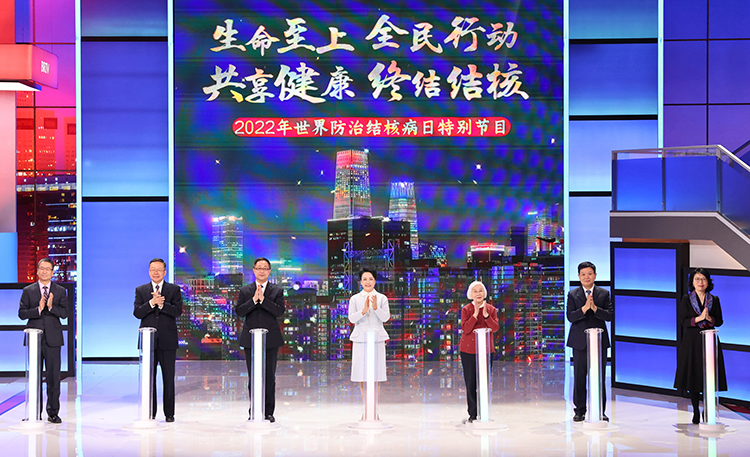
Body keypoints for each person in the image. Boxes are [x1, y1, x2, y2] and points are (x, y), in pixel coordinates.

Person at [18, 257, 69, 424]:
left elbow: (65, 313)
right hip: (34, 339)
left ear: (53, 272)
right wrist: (38, 309)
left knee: (54, 378)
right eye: (42, 268)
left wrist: (51, 307)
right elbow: (22, 314)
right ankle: (35, 412)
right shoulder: (28, 290)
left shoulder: (60, 291)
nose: (45, 271)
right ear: (37, 270)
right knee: (35, 377)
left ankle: (53, 413)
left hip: (53, 340)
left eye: (48, 269)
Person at [674, 268, 727, 424]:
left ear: (708, 282)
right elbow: (683, 321)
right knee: (694, 376)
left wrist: (709, 318)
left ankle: (707, 410)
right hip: (692, 342)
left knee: (709, 376)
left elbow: (720, 321)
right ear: (692, 282)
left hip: (709, 340)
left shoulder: (714, 299)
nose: (700, 282)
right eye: (697, 279)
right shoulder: (686, 299)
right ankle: (696, 411)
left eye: (703, 279)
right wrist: (698, 318)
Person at [133, 258, 183, 423]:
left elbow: (177, 311)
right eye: (153, 269)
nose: (156, 272)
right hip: (148, 341)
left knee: (168, 378)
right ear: (149, 271)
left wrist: (162, 305)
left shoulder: (173, 289)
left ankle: (169, 414)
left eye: (159, 269)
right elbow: (137, 313)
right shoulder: (141, 290)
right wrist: (151, 303)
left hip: (168, 340)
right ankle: (150, 412)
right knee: (149, 379)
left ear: (164, 272)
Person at [236, 257, 285, 423]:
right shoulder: (245, 290)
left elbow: (279, 311)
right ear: (254, 270)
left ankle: (268, 412)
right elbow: (240, 311)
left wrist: (263, 301)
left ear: (269, 271)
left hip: (270, 339)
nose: (262, 271)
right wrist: (253, 301)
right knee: (253, 377)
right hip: (250, 339)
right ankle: (254, 410)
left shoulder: (276, 291)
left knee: (269, 377)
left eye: (265, 268)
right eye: (259, 268)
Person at [566, 261, 612, 422]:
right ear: (579, 276)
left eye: (590, 274)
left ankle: (600, 410)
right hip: (580, 342)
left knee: (599, 378)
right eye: (583, 274)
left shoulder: (604, 294)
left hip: (599, 342)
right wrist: (584, 309)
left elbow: (610, 316)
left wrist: (595, 309)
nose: (587, 277)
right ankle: (579, 411)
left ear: (595, 275)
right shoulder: (573, 294)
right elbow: (570, 316)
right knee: (579, 377)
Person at [348, 268, 390, 419]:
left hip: (377, 340)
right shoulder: (355, 299)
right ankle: (366, 409)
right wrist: (364, 310)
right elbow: (352, 319)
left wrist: (376, 308)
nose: (368, 282)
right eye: (365, 279)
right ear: (360, 282)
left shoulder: (382, 298)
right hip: (360, 340)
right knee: (362, 375)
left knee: (375, 375)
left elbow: (385, 318)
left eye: (370, 279)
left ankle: (374, 409)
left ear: (375, 281)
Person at [458, 281, 499, 423]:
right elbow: (466, 329)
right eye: (475, 291)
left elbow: (495, 328)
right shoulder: (466, 309)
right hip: (468, 351)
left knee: (484, 383)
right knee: (471, 382)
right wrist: (475, 315)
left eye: (480, 290)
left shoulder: (491, 309)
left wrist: (486, 316)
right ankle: (473, 414)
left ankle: (484, 413)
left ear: (484, 293)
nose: (478, 294)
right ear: (471, 294)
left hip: (486, 351)